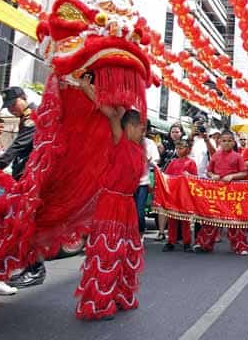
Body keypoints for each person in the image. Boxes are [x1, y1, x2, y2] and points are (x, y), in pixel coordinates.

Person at [75, 76, 145, 321]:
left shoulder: (139, 148)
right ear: (130, 127)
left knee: (125, 252)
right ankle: (98, 303)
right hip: (111, 202)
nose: (142, 131)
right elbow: (115, 114)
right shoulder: (121, 139)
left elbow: (121, 108)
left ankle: (119, 296)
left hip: (127, 203)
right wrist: (87, 88)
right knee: (107, 252)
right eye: (140, 127)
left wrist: (122, 90)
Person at [0, 87, 45, 289]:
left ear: (24, 98)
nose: (10, 110)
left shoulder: (32, 117)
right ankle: (30, 268)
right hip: (24, 176)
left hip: (31, 178)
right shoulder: (26, 117)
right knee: (23, 225)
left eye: (13, 104)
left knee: (28, 225)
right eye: (7, 107)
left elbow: (19, 145)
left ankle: (36, 269)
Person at [193, 131, 248, 255]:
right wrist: (213, 175)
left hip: (233, 192)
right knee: (211, 218)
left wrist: (232, 176)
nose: (226, 143)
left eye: (229, 140)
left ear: (233, 142)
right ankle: (204, 243)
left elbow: (244, 173)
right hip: (217, 191)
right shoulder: (215, 156)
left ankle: (240, 246)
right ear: (219, 142)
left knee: (234, 219)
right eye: (224, 140)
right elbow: (208, 171)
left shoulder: (238, 156)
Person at [162, 139, 197, 252]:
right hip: (173, 194)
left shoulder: (191, 163)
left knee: (185, 220)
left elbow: (195, 178)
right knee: (172, 219)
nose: (178, 150)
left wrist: (189, 176)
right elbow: (166, 176)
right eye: (177, 148)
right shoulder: (173, 162)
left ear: (187, 149)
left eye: (181, 148)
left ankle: (187, 242)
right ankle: (171, 241)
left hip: (184, 195)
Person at [156, 123, 185, 240]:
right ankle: (161, 232)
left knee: (178, 207)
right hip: (165, 179)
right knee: (163, 205)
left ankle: (177, 234)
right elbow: (158, 159)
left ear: (182, 133)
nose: (175, 134)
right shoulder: (165, 144)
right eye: (173, 132)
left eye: (177, 132)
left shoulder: (185, 145)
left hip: (179, 180)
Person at [134, 121, 160, 236]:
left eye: (144, 129)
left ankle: (140, 234)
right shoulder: (129, 140)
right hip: (127, 182)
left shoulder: (150, 143)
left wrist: (149, 159)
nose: (141, 132)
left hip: (143, 182)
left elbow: (156, 160)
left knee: (140, 212)